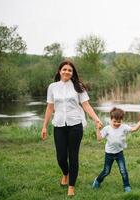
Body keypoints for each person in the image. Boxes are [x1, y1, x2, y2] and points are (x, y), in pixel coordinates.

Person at [41, 60, 103, 196]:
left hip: (75, 124)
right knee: (61, 157)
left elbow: (86, 105)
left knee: (73, 156)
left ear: (72, 73)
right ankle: (65, 173)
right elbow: (50, 107)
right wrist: (44, 126)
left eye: (70, 70)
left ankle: (71, 187)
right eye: (64, 69)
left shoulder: (78, 86)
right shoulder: (52, 87)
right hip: (59, 125)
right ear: (59, 71)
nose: (67, 72)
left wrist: (96, 119)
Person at [91, 107, 140, 192]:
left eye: (119, 121)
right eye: (114, 121)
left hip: (119, 153)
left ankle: (127, 186)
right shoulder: (107, 128)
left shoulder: (123, 127)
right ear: (111, 119)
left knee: (123, 170)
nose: (117, 123)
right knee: (106, 171)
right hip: (109, 154)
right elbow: (99, 139)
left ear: (122, 120)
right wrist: (97, 128)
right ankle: (97, 181)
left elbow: (134, 129)